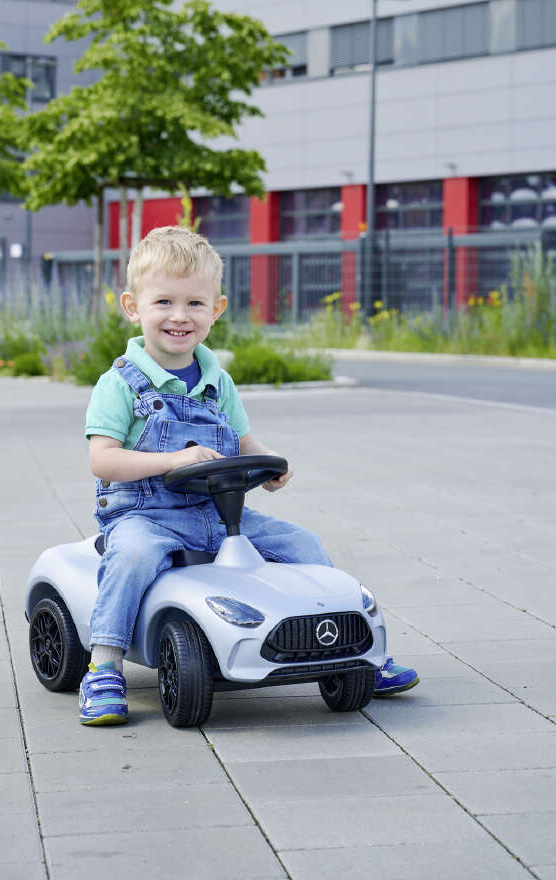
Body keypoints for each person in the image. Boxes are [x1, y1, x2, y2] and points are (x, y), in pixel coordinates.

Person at [81, 226, 419, 725]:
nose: (180, 316)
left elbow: (240, 443)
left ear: (216, 310)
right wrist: (172, 460)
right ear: (134, 307)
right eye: (164, 302)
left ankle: (357, 652)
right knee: (131, 556)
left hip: (217, 515)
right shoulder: (121, 384)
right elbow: (103, 460)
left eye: (195, 303)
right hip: (145, 513)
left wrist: (268, 463)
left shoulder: (219, 383)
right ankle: (104, 667)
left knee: (301, 542)